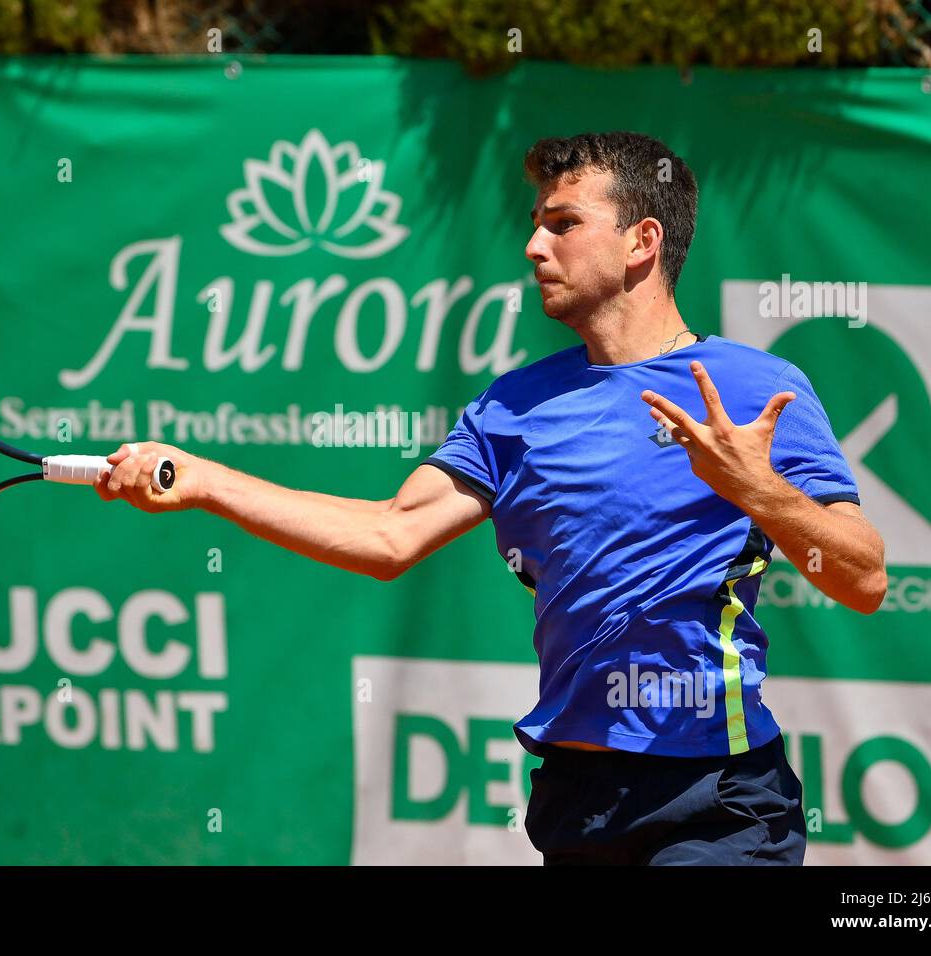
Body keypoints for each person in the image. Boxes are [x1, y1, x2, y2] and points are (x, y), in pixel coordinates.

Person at [93, 132, 887, 865]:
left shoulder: (758, 389)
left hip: (717, 801)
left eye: (563, 223)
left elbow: (863, 579)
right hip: (575, 801)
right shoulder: (513, 407)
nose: (533, 245)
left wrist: (760, 490)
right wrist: (204, 481)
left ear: (643, 241)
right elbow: (388, 537)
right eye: (535, 223)